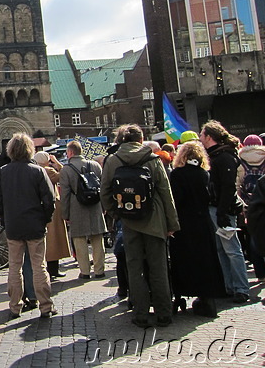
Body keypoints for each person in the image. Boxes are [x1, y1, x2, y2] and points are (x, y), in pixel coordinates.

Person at [100, 124, 180, 327]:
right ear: (141, 139)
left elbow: (105, 191)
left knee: (134, 268)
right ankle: (164, 313)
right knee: (158, 267)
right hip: (155, 220)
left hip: (128, 220)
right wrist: (172, 223)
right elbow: (165, 193)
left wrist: (116, 213)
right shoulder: (153, 159)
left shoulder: (113, 160)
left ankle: (140, 314)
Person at [0, 133, 57, 320]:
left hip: (14, 226)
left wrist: (7, 217)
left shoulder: (3, 171)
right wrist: (44, 219)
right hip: (35, 225)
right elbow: (50, 200)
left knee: (14, 267)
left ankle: (15, 306)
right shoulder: (37, 171)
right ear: (30, 149)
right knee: (39, 266)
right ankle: (45, 306)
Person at [168, 140, 226, 317]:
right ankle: (207, 298)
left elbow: (175, 200)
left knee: (183, 260)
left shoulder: (177, 175)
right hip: (202, 222)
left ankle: (180, 294)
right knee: (205, 260)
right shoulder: (204, 174)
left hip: (183, 224)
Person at [200, 120, 250, 303]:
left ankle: (241, 288)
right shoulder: (215, 156)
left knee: (232, 250)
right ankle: (229, 286)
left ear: (209, 137)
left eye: (202, 134)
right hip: (216, 207)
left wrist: (222, 211)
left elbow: (228, 187)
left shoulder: (223, 157)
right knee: (221, 249)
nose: (200, 137)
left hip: (223, 209)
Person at [59, 141, 107, 280]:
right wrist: (104, 207)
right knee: (98, 238)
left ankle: (85, 271)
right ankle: (99, 270)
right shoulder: (95, 165)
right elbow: (103, 188)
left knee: (79, 240)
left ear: (71, 152)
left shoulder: (66, 170)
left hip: (76, 206)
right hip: (95, 205)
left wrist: (65, 214)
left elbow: (65, 194)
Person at [33, 151, 69, 279]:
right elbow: (65, 174)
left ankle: (49, 269)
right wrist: (57, 162)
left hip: (39, 208)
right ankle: (53, 269)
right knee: (55, 241)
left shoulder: (35, 170)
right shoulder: (48, 171)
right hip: (53, 208)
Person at [236, 134, 265, 281]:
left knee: (253, 236)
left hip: (249, 204)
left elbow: (237, 185)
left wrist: (241, 205)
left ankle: (260, 273)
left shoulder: (240, 160)